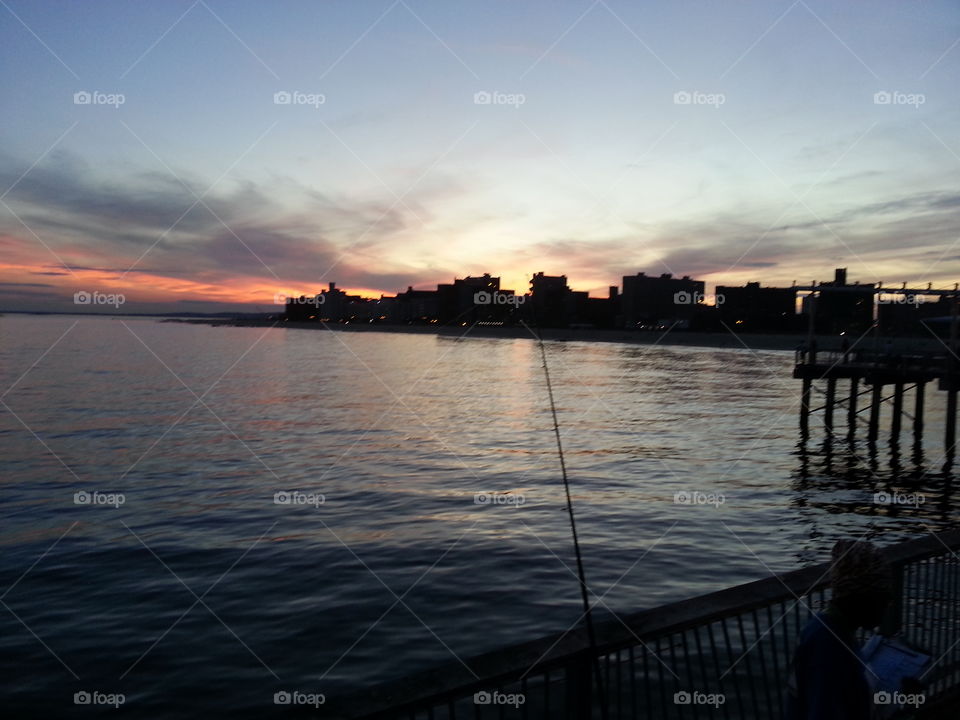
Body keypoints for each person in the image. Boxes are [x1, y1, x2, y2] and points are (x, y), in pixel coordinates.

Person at [785, 540, 893, 719]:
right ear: (861, 599)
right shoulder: (828, 649)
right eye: (882, 597)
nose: (888, 605)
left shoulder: (828, 630)